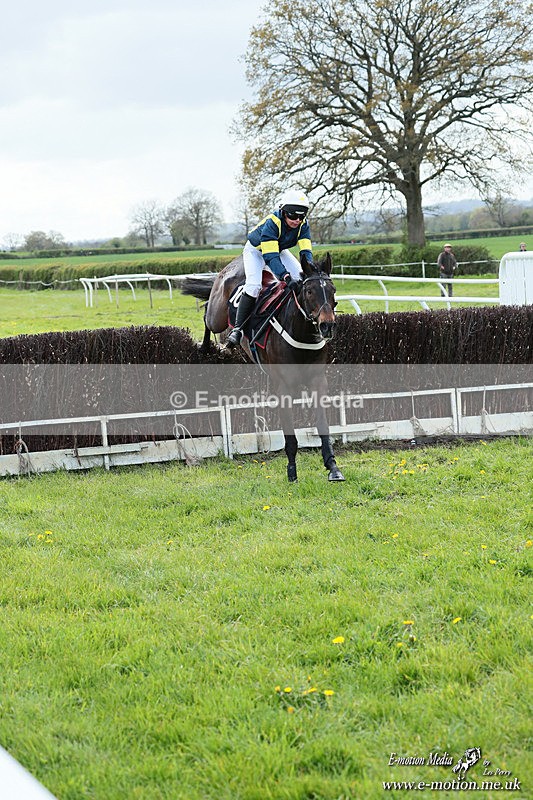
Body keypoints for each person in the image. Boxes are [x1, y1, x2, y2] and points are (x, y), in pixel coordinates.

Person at [226, 189, 314, 348]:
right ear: (283, 211)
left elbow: (306, 253)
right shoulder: (272, 224)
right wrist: (285, 276)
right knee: (253, 286)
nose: (297, 220)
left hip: (278, 249)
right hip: (256, 251)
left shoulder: (303, 225)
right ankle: (238, 329)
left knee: (302, 278)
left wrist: (310, 272)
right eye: (293, 215)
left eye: (301, 216)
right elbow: (270, 257)